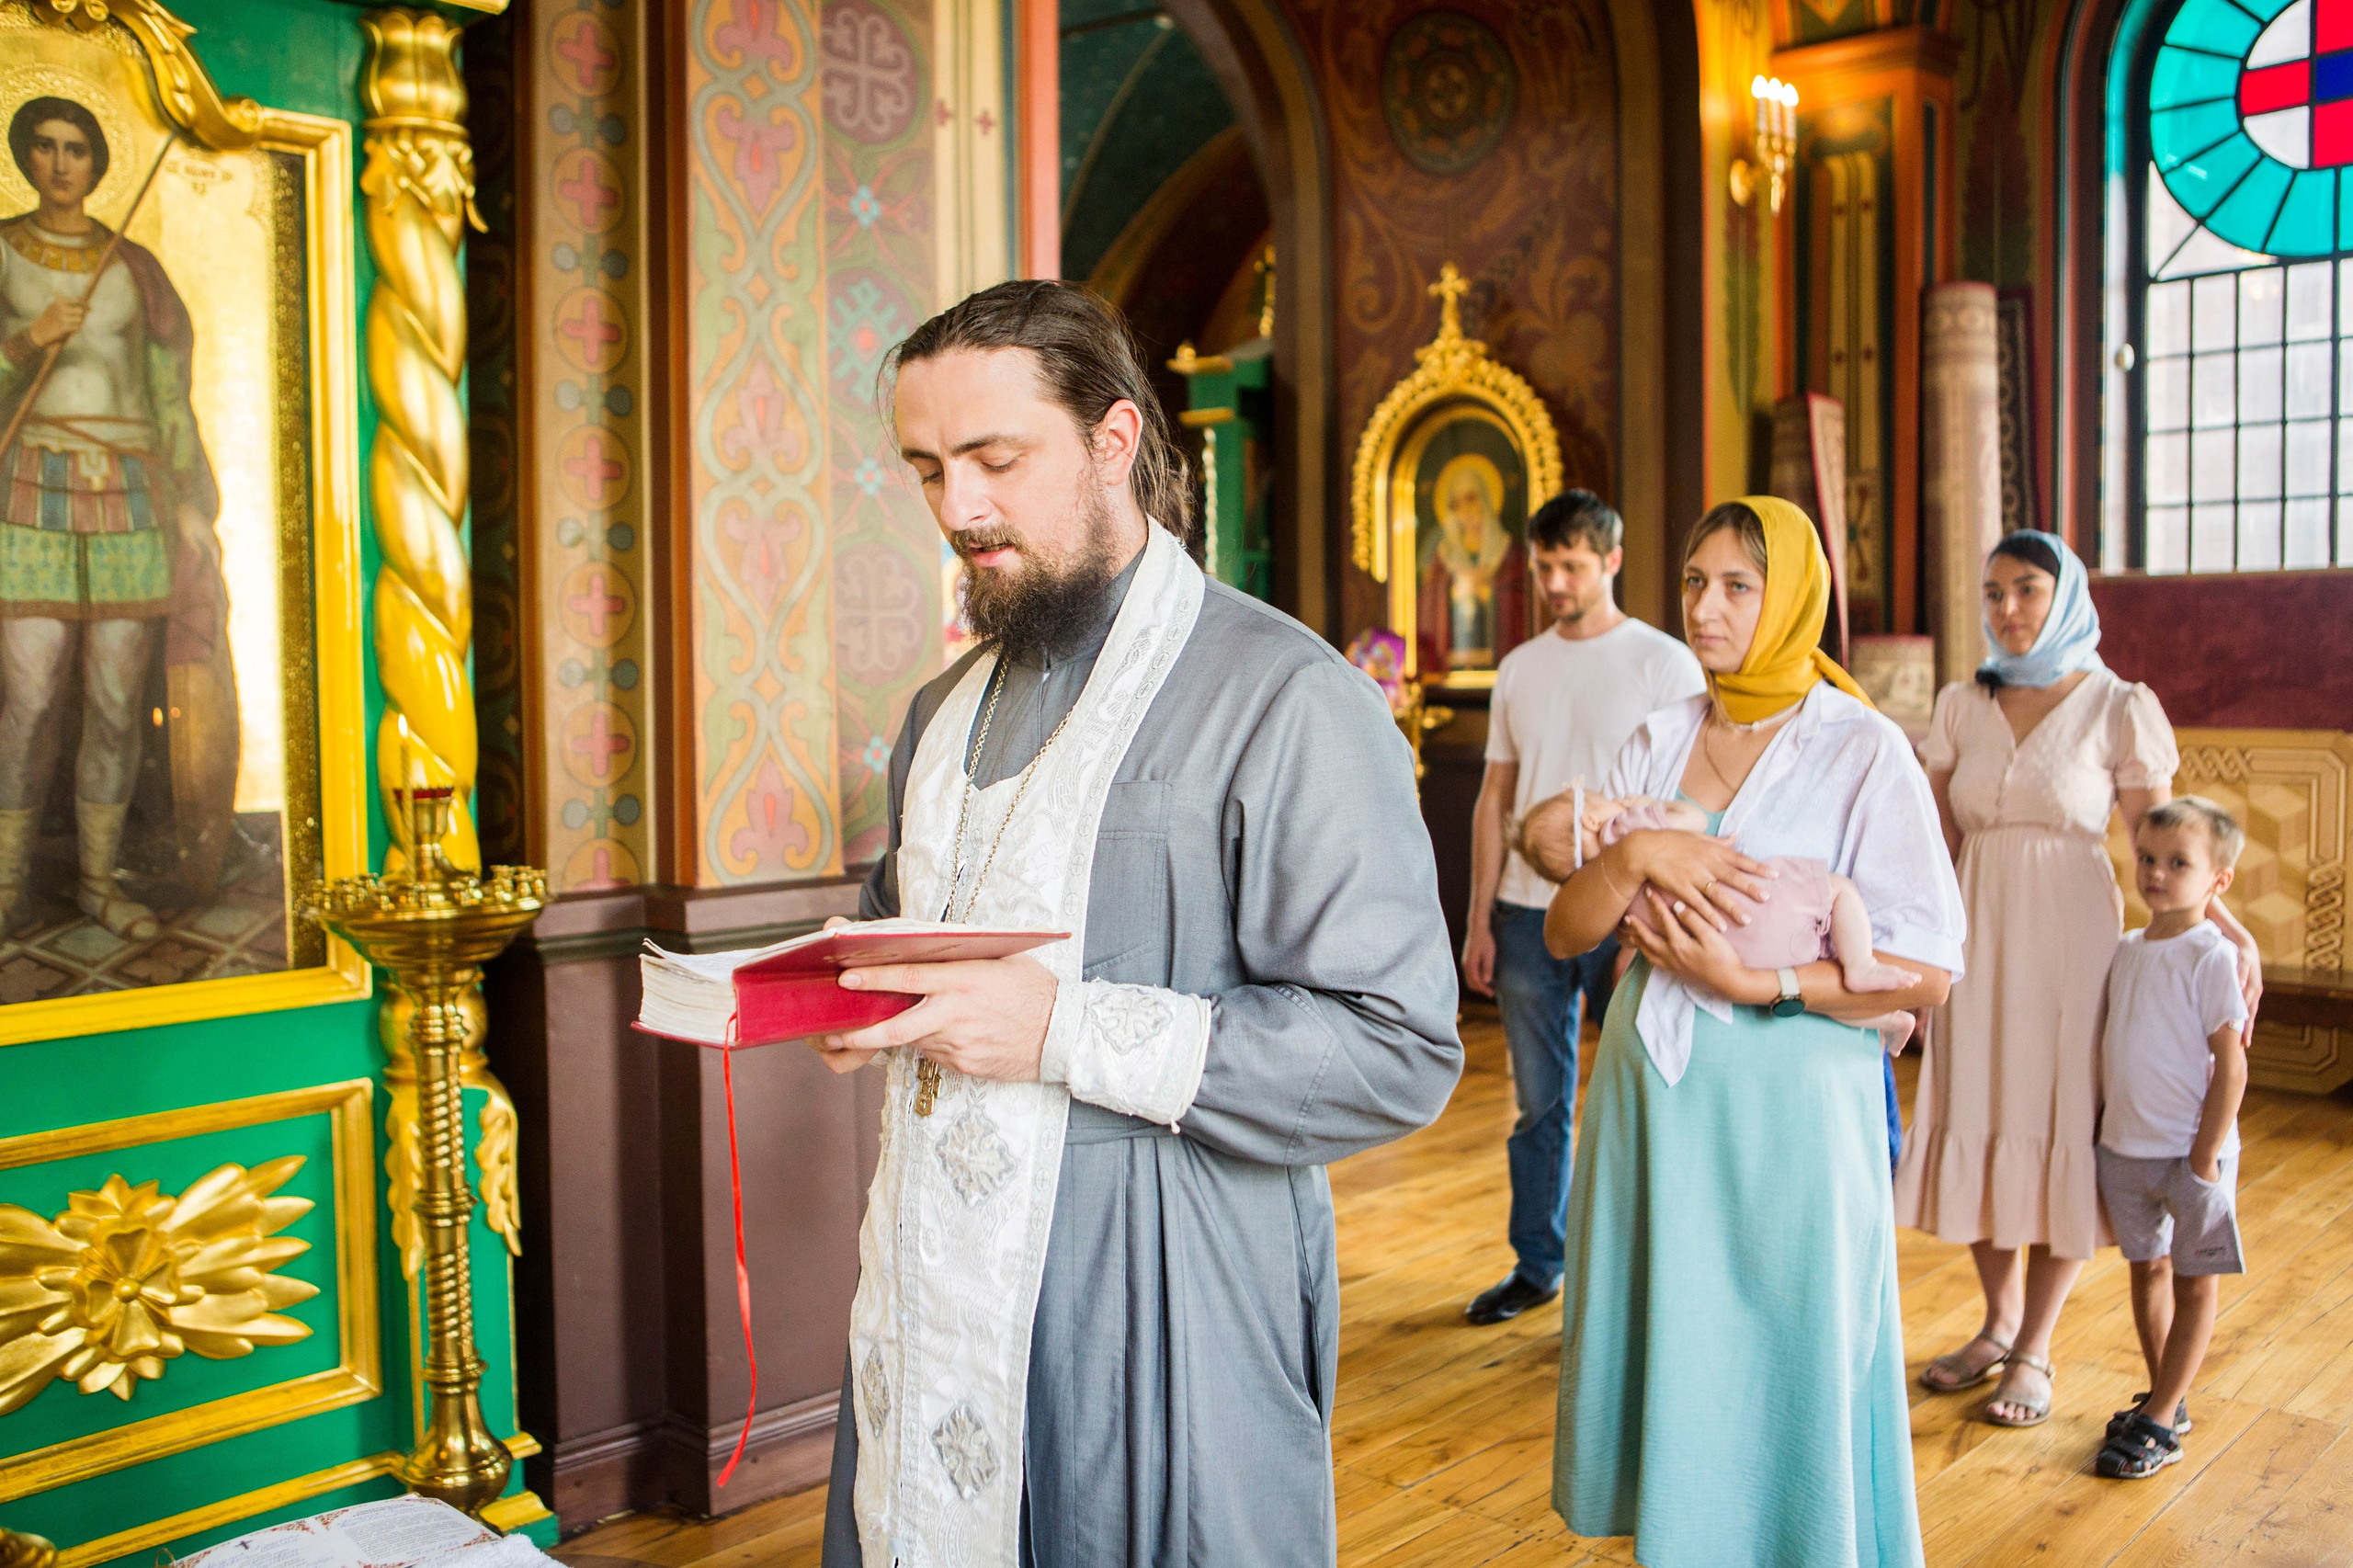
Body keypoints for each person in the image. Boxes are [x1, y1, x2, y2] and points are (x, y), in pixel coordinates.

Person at [810, 280, 1462, 1568]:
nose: (959, 510)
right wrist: (850, 983)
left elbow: (1398, 1046)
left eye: (999, 459)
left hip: (1160, 1297)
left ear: (1116, 443)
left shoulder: (1287, 696)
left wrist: (1059, 1028)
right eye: (929, 469)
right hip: (934, 1273)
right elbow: (913, 915)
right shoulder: (942, 709)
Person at [1548, 496, 1962, 1568]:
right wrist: (1632, 859)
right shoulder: (1656, 735)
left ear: (1793, 599)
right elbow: (1567, 928)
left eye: (1737, 584)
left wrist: (1755, 977)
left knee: (1789, 1348)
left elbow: (1928, 969)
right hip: (1654, 1100)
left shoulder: (1859, 747)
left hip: (1792, 1107)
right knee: (1675, 1344)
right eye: (1693, 580)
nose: (1705, 605)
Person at [1893, 529, 2258, 1427]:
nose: (2007, 609)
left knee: (2058, 1125)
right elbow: (1934, 845)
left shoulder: (2116, 705)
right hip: (1973, 935)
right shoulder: (1957, 704)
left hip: (2073, 942)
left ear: (2063, 597)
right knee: (1974, 1113)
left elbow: (2169, 841)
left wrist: (2229, 926)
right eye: (1992, 593)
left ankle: (2036, 1345)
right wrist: (1909, 951)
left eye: (2025, 589)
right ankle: (1997, 1319)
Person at [1458, 489, 1702, 1326]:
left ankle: (1646, 1276)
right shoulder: (1522, 667)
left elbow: (1684, 802)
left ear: (1612, 561)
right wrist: (1478, 916)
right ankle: (1539, 1261)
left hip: (1630, 914)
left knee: (1645, 1094)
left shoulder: (1665, 663)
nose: (1555, 581)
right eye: (1544, 565)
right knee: (1539, 1105)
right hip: (1527, 916)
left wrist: (1657, 920)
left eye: (1571, 565)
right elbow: (1496, 798)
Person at [0, 97, 233, 937]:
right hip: (34, 483)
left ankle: (100, 879)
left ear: (97, 166)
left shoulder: (131, 266)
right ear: (26, 158)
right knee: (28, 699)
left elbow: (171, 395)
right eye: (45, 148)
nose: (61, 164)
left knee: (113, 700)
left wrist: (189, 501)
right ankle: (5, 883)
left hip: (131, 488)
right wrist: (25, 342)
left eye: (77, 151)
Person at [2093, 796, 2250, 1480]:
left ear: (2218, 881)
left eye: (2177, 863)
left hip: (2192, 1154)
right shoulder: (2128, 947)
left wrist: (2205, 1157)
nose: (2156, 873)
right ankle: (2167, 1398)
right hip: (2127, 1148)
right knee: (2147, 1268)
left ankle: (2158, 1422)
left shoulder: (2211, 955)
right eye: (2148, 859)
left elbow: (2232, 1064)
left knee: (2193, 1282)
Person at [1515, 788, 1917, 1053]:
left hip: (1729, 955)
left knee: (1810, 999)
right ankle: (1861, 964)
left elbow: (1624, 937)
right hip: (1756, 906)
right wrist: (1642, 808)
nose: (1612, 797)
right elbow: (1690, 818)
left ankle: (1888, 1020)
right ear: (1588, 820)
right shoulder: (1626, 828)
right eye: (1597, 797)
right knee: (1838, 890)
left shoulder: (1610, 899)